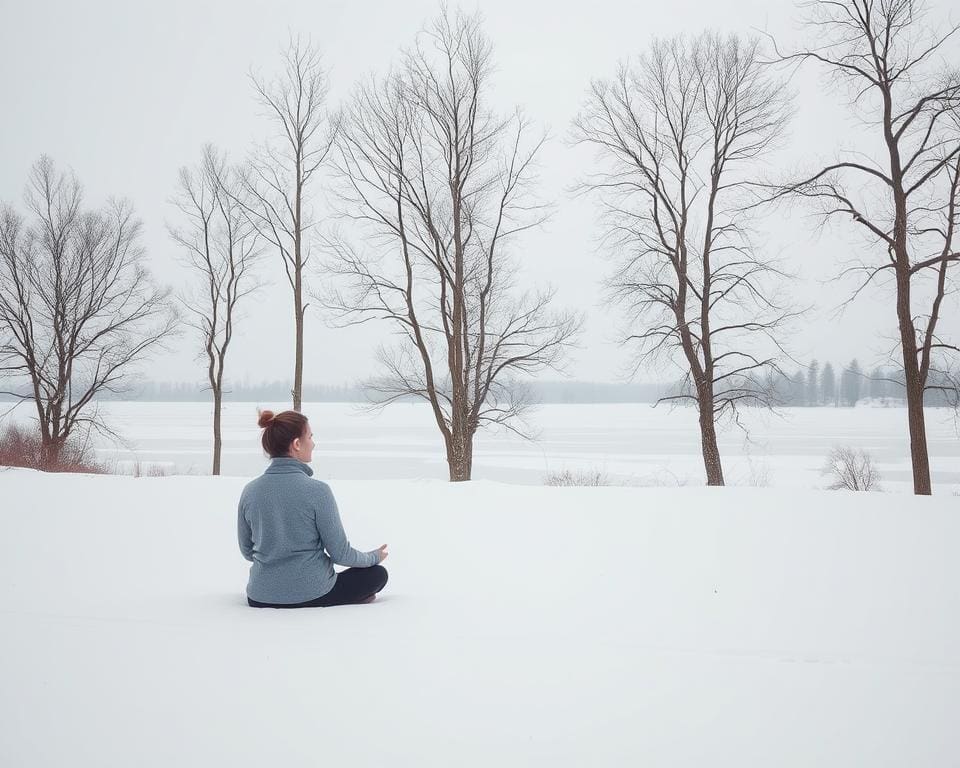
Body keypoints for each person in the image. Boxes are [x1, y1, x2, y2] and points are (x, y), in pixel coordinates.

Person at [238, 409, 389, 608]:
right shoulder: (318, 491)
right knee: (377, 574)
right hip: (313, 593)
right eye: (310, 436)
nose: (313, 443)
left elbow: (248, 552)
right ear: (297, 444)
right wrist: (373, 557)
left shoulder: (250, 491)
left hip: (259, 596)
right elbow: (340, 554)